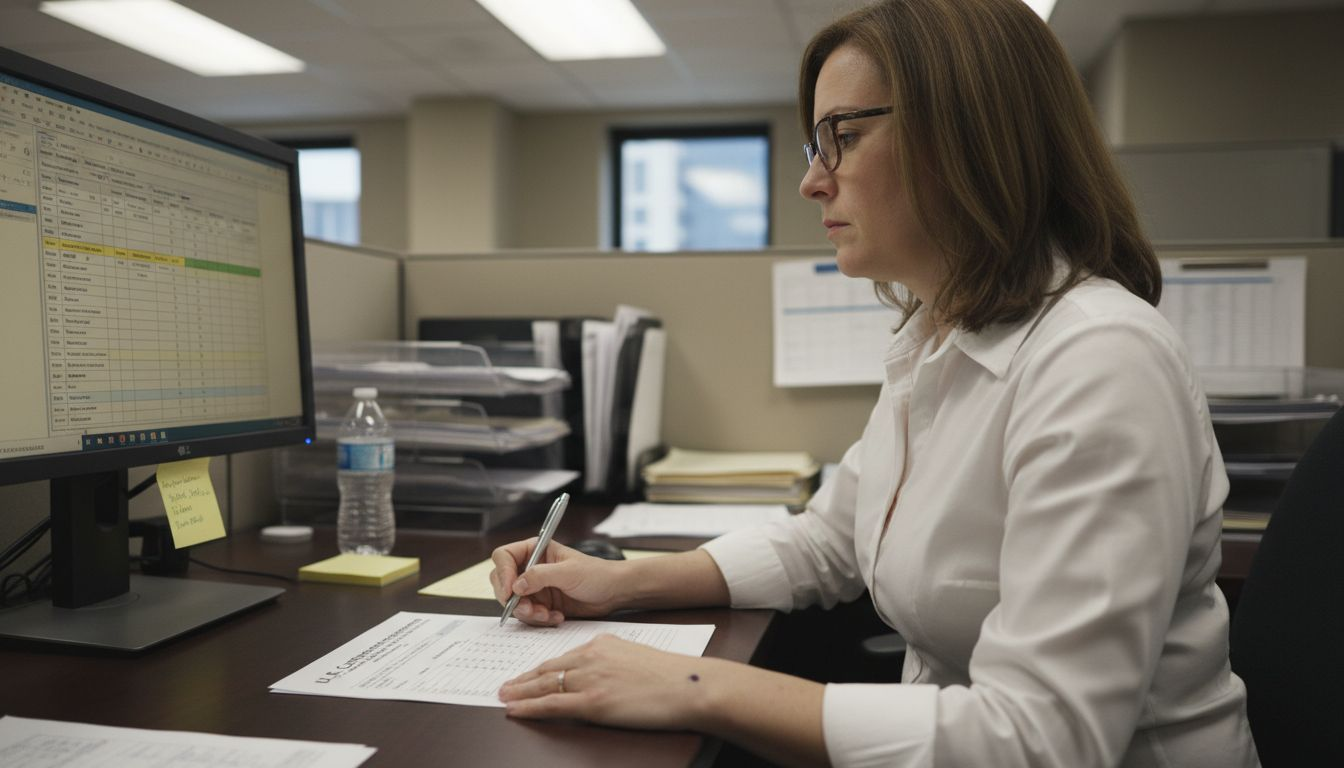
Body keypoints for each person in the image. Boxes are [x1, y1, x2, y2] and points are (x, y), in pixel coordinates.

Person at [490, 0, 1260, 765]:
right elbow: (832, 541)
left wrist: (696, 685)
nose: (812, 184)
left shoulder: (1098, 360)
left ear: (967, 137)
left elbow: (1042, 739)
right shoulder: (942, 333)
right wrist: (620, 585)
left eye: (845, 138)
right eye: (815, 145)